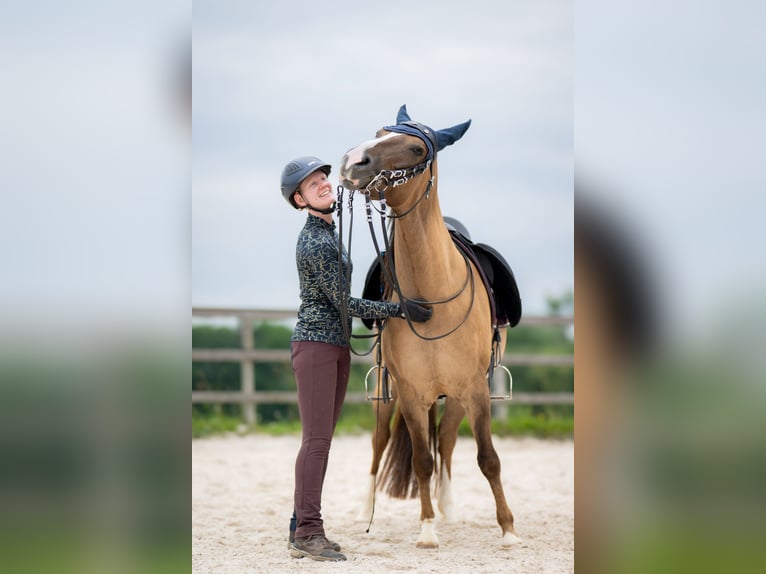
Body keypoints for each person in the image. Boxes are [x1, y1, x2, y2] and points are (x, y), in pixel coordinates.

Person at [280, 156, 432, 562]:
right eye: (313, 185)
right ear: (299, 200)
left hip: (334, 347)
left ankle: (300, 523)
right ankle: (309, 532)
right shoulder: (314, 242)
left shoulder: (329, 232)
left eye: (323, 179)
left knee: (320, 441)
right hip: (316, 346)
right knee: (316, 441)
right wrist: (401, 310)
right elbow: (343, 303)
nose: (323, 185)